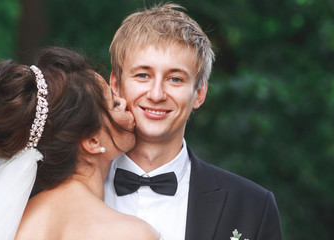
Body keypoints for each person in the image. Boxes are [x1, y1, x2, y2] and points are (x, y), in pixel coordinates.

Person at [104, 4, 283, 240]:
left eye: (175, 79)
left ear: (199, 93)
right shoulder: (58, 195)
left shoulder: (254, 207)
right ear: (115, 85)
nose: (156, 94)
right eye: (143, 75)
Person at [0, 47, 160, 240]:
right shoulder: (131, 234)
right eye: (114, 104)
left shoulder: (11, 225)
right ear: (93, 141)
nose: (124, 102)